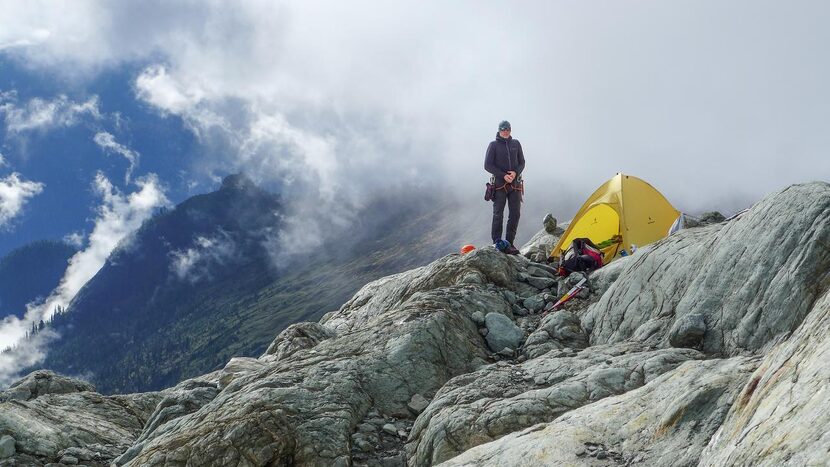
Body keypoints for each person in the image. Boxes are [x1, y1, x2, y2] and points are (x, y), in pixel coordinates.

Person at [485, 120, 525, 255]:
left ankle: (509, 243)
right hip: (499, 185)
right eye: (503, 129)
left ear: (510, 129)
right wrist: (503, 175)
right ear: (499, 130)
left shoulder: (516, 143)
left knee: (515, 214)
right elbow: (487, 165)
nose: (505, 131)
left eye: (507, 128)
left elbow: (522, 162)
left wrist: (515, 172)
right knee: (498, 215)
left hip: (515, 185)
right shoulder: (493, 145)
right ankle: (497, 243)